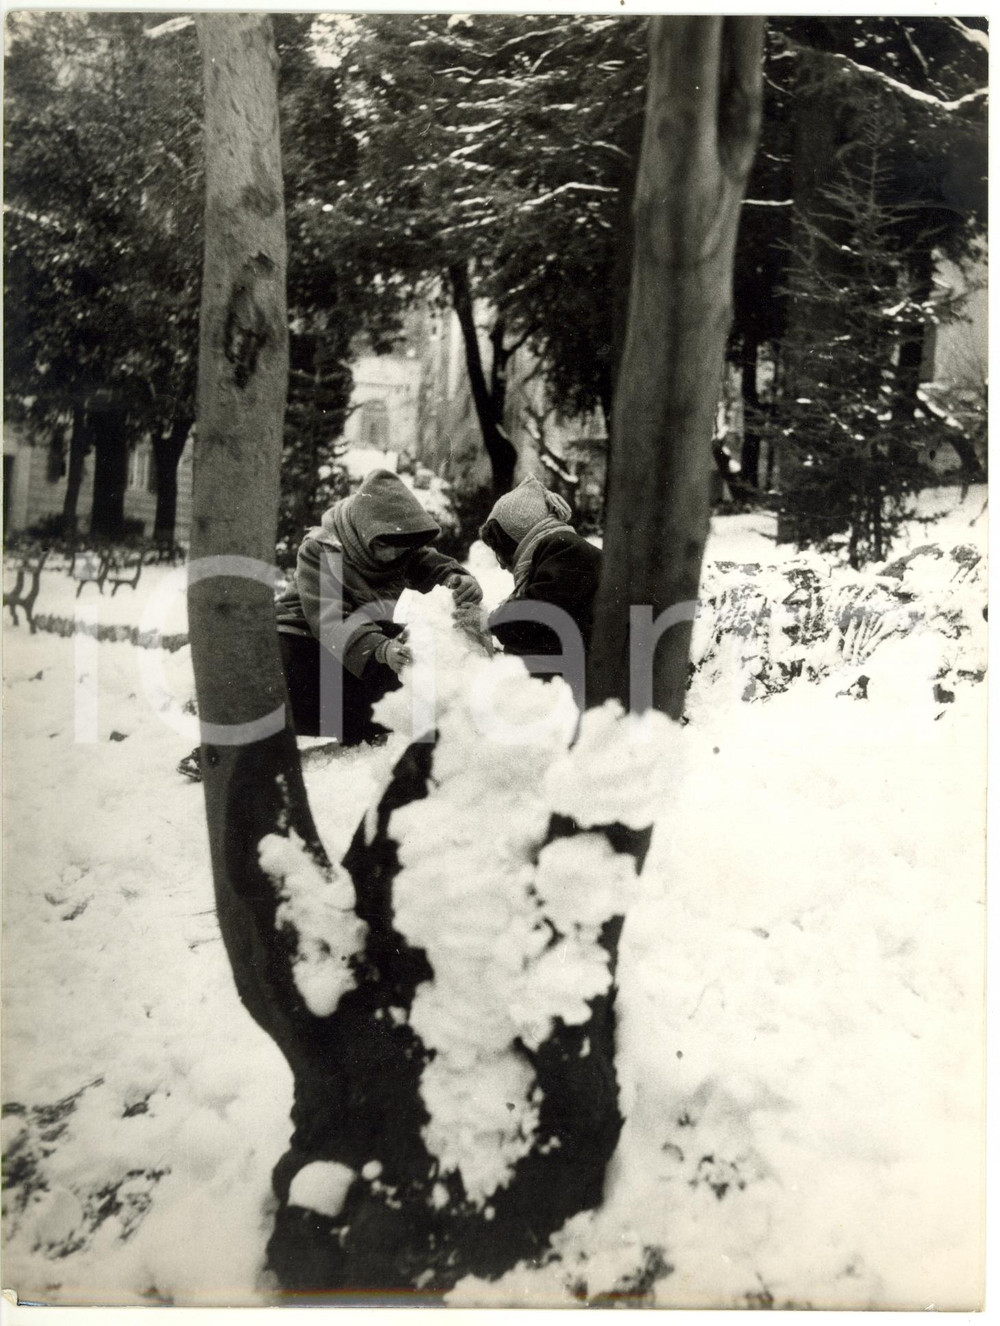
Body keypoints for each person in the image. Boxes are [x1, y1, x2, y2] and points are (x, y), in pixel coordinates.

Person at [178, 469, 481, 779]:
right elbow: (330, 620)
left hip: (360, 645)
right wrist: (380, 649)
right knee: (275, 679)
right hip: (305, 638)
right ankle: (223, 749)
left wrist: (458, 580)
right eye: (384, 545)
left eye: (400, 547)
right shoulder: (323, 549)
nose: (393, 554)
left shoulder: (400, 547)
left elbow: (432, 565)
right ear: (364, 533)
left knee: (405, 667)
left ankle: (364, 725)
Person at [478, 474, 601, 669]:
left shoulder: (564, 547)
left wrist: (484, 621)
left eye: (501, 553)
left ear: (517, 540)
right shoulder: (559, 550)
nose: (502, 565)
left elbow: (536, 613)